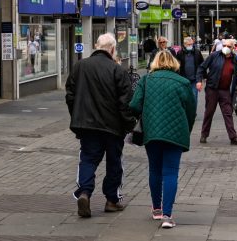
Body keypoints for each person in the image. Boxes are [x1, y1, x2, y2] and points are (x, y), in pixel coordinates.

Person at [66, 33, 134, 218]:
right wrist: (129, 125)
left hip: (87, 125)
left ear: (96, 46)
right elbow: (125, 102)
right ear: (112, 49)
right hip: (113, 127)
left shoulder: (80, 66)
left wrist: (76, 117)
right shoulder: (117, 70)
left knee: (87, 159)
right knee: (114, 162)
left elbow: (70, 95)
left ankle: (85, 193)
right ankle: (112, 200)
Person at [130, 51, 196, 229]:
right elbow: (191, 111)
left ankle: (157, 210)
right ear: (174, 63)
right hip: (176, 134)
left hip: (152, 132)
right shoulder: (182, 83)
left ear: (154, 63)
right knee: (171, 172)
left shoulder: (146, 80)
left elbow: (134, 105)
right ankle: (167, 216)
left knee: (155, 170)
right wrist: (186, 130)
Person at [196, 39, 237, 145]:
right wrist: (199, 81)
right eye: (224, 45)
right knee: (209, 112)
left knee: (228, 113)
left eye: (228, 46)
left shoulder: (234, 59)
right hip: (212, 89)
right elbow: (201, 67)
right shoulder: (214, 55)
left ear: (233, 47)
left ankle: (233, 138)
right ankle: (204, 135)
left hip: (225, 90)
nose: (225, 47)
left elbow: (236, 76)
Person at [175, 37, 205, 103]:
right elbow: (176, 66)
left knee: (194, 97)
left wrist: (202, 78)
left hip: (194, 80)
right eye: (188, 44)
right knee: (184, 97)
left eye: (191, 44)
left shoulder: (197, 52)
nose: (190, 46)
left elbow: (202, 65)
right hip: (183, 79)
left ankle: (193, 113)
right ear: (184, 44)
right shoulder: (180, 53)